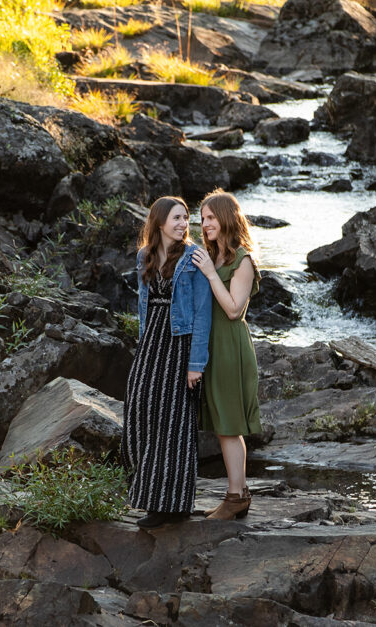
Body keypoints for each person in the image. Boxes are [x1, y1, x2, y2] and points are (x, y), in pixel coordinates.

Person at [122, 196, 212, 529]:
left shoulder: (194, 257)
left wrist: (196, 363)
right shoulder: (143, 256)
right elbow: (144, 308)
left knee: (174, 421)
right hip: (152, 344)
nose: (182, 224)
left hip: (180, 344)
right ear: (159, 222)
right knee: (140, 406)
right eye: (176, 218)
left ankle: (171, 505)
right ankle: (149, 494)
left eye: (186, 218)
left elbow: (203, 314)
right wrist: (143, 344)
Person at [191, 189, 262, 520]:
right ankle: (238, 493)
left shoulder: (242, 259)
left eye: (210, 217)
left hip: (231, 347)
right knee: (222, 423)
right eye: (202, 219)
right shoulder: (213, 256)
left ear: (226, 217)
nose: (204, 224)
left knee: (229, 424)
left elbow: (234, 309)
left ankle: (236, 497)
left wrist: (208, 273)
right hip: (211, 346)